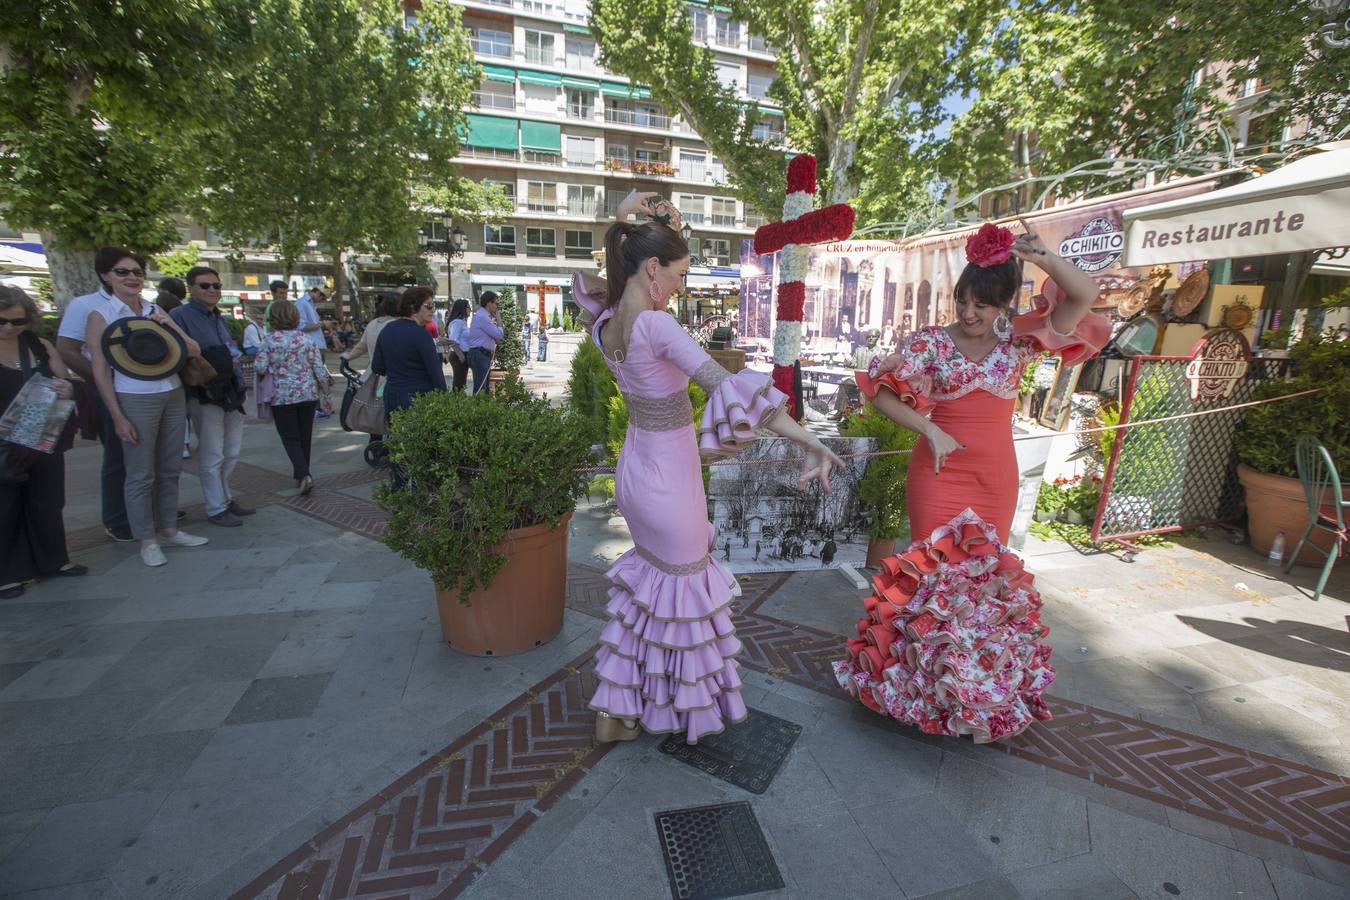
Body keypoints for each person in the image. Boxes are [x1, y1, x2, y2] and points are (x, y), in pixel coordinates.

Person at [580, 190, 843, 745]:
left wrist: (625, 213)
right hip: (669, 483)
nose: (681, 285)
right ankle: (675, 711)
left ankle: (616, 714)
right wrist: (809, 441)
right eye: (678, 274)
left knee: (647, 594)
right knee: (683, 596)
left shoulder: (604, 323)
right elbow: (735, 391)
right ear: (652, 267)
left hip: (637, 470)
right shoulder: (657, 327)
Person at [833, 222, 1110, 743]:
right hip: (937, 473)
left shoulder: (1021, 341)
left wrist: (1042, 256)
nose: (969, 313)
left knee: (983, 583)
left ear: (1004, 304)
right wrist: (930, 429)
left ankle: (974, 695)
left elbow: (1085, 294)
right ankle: (918, 694)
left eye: (983, 304)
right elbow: (877, 391)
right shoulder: (929, 344)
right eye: (964, 300)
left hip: (994, 478)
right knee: (932, 581)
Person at [84, 248, 211, 568]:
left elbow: (193, 350)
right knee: (140, 473)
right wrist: (116, 415)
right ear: (106, 276)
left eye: (137, 272)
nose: (131, 278)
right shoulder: (102, 314)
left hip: (172, 392)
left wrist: (170, 323)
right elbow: (100, 370)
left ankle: (168, 528)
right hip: (133, 397)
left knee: (170, 468)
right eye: (122, 272)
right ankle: (147, 539)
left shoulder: (155, 309)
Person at [0, 286, 87, 599]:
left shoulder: (37, 344)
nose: (9, 328)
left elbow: (65, 379)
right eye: (2, 321)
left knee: (48, 501)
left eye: (17, 321)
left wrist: (67, 387)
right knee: (6, 506)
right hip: (4, 441)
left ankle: (54, 561)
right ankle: (8, 573)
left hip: (41, 433)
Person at [171, 266, 253, 527]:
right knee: (212, 453)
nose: (212, 290)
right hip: (205, 393)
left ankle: (225, 498)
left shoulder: (218, 316)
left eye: (216, 285)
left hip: (231, 390)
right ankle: (216, 507)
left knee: (231, 451)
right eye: (205, 285)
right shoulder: (180, 316)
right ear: (191, 288)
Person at [254, 300, 330, 495]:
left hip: (281, 395)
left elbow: (260, 367)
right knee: (305, 435)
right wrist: (325, 392)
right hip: (308, 393)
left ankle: (304, 474)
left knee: (290, 437)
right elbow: (319, 369)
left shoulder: (269, 341)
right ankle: (302, 473)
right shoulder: (305, 339)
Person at [371, 286, 446, 420]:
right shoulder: (422, 335)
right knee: (417, 439)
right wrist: (445, 400)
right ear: (413, 307)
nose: (433, 310)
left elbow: (377, 367)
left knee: (395, 436)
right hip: (418, 397)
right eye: (428, 306)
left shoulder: (387, 330)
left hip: (392, 395)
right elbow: (436, 375)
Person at [465, 292, 503, 395]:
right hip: (479, 355)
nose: (497, 307)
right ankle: (477, 410)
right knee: (481, 389)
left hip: (482, 355)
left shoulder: (484, 316)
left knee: (484, 389)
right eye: (496, 304)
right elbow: (499, 335)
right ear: (489, 304)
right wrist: (499, 319)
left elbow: (497, 339)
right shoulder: (483, 317)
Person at [444, 298, 471, 392]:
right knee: (459, 384)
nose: (470, 309)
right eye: (468, 307)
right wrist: (461, 356)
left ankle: (458, 402)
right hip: (458, 355)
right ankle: (456, 403)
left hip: (461, 354)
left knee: (461, 383)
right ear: (462, 308)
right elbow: (452, 341)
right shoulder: (458, 322)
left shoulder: (462, 322)